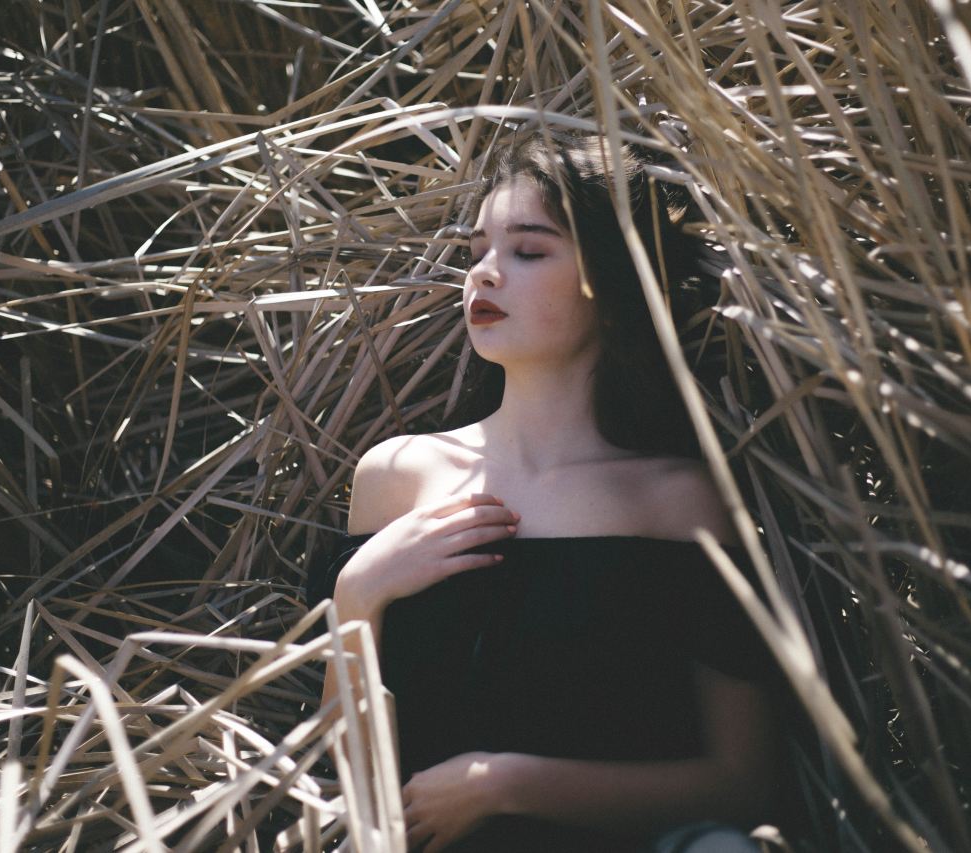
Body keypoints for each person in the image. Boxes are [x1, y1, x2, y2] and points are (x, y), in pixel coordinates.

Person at [313, 132, 784, 852]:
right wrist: (357, 596)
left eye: (529, 251)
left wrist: (508, 783)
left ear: (616, 281)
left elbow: (743, 780)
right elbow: (346, 786)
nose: (486, 276)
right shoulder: (395, 476)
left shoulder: (676, 500)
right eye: (476, 253)